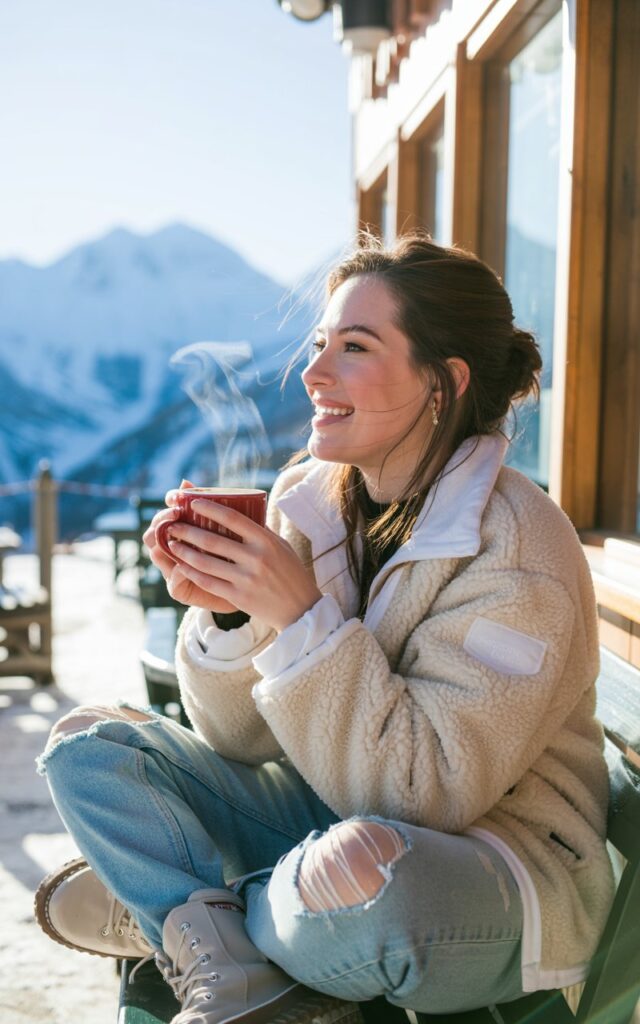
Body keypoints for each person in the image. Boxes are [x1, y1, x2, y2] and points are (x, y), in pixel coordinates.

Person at [35, 233, 614, 1024]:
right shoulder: (313, 499)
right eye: (317, 345)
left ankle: (185, 916)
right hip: (329, 819)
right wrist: (235, 614)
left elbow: (426, 794)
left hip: (495, 869)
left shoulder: (518, 549)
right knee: (89, 748)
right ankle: (222, 930)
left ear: (444, 383)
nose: (312, 375)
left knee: (362, 883)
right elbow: (238, 739)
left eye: (354, 347)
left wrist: (301, 618)